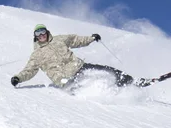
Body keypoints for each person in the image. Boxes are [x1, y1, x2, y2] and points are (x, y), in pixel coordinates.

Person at [10, 24, 150, 89]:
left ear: (47, 32)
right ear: (35, 37)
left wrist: (90, 38)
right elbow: (29, 70)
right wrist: (18, 78)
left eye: (43, 32)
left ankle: (133, 82)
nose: (41, 35)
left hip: (79, 67)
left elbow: (75, 40)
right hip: (65, 79)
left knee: (107, 71)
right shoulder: (36, 55)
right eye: (38, 34)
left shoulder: (59, 39)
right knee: (83, 86)